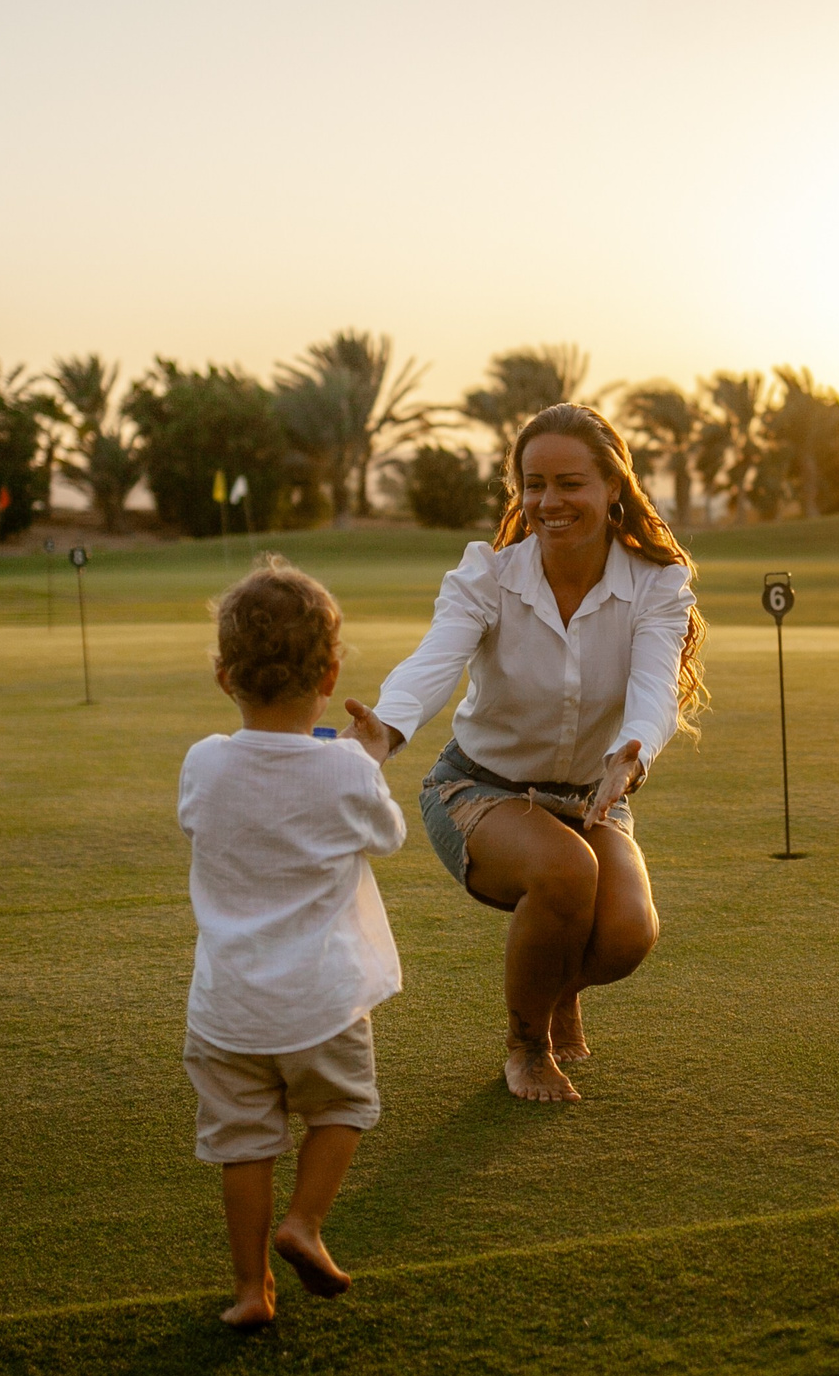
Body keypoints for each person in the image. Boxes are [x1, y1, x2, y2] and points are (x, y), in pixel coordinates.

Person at [342, 402, 706, 1103]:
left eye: (570, 482)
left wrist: (629, 754)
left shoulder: (656, 584)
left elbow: (655, 686)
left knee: (629, 934)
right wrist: (384, 729)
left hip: (591, 796)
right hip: (480, 788)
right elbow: (435, 660)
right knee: (567, 870)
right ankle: (527, 1044)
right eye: (532, 484)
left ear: (611, 488)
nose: (549, 501)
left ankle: (558, 981)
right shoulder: (487, 574)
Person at [179, 556, 407, 1328]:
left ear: (223, 675)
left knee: (244, 1146)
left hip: (227, 1006)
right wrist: (366, 758)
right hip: (322, 1000)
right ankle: (304, 1222)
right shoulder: (345, 769)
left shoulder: (202, 762)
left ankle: (251, 1289)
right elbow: (388, 832)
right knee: (343, 1105)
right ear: (331, 671)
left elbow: (214, 815)